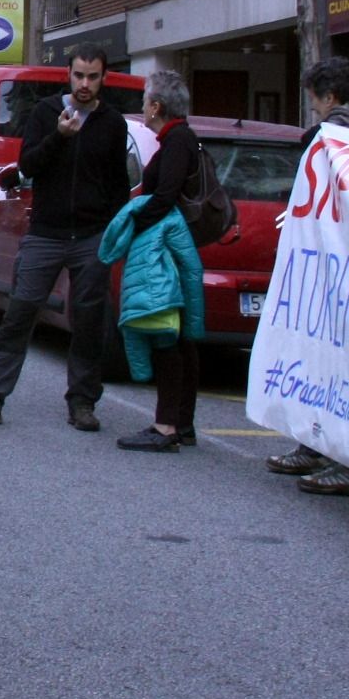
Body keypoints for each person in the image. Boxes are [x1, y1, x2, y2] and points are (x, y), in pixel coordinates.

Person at [0, 43, 129, 432]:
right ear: (68, 74)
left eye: (93, 77)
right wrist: (60, 136)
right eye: (79, 75)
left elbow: (118, 184)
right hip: (46, 232)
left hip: (92, 235)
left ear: (103, 78)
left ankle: (82, 401)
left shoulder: (113, 123)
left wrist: (113, 232)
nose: (85, 84)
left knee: (89, 320)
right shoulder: (46, 112)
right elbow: (29, 165)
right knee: (19, 314)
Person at [268, 57, 349, 495]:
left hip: (338, 266)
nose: (313, 108)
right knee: (326, 359)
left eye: (314, 100)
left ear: (330, 97)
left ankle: (345, 463)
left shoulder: (334, 136)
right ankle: (316, 443)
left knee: (337, 363)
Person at [115, 71, 208, 452]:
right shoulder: (179, 138)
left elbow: (164, 196)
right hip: (176, 248)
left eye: (145, 101)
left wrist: (132, 223)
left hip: (166, 251)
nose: (142, 107)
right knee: (180, 336)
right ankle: (181, 423)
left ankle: (167, 425)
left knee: (165, 330)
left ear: (155, 106)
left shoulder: (177, 141)